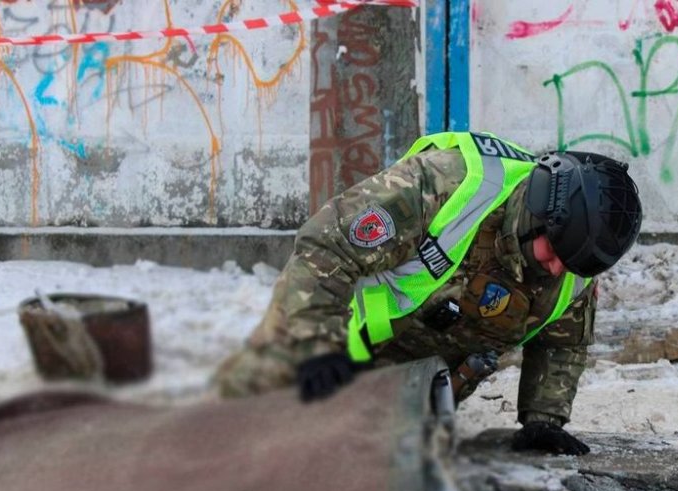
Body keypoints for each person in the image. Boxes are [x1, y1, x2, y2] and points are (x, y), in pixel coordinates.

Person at [216, 131, 642, 455]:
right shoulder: (446, 185)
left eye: (573, 265)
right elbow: (325, 248)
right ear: (540, 210)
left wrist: (543, 419)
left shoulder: (573, 261)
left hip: (409, 390)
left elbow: (563, 342)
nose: (558, 270)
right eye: (554, 254)